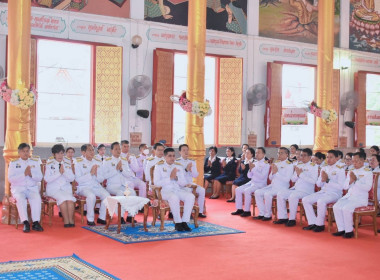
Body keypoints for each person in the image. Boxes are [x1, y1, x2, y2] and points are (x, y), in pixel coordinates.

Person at [302, 150, 346, 232]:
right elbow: (318, 184)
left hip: (335, 193)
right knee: (306, 200)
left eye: (331, 157)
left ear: (336, 158)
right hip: (323, 192)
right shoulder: (324, 168)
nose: (328, 159)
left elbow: (341, 187)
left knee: (321, 201)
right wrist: (322, 180)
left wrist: (328, 180)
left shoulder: (340, 169)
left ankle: (320, 224)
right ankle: (312, 222)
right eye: (327, 157)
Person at [332, 152, 373, 238]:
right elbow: (345, 186)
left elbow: (367, 188)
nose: (354, 163)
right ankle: (341, 229)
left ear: (362, 161)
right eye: (353, 161)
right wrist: (350, 181)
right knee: (336, 206)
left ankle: (349, 231)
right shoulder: (351, 170)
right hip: (349, 196)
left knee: (346, 209)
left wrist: (356, 181)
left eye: (356, 161)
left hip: (360, 199)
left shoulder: (368, 172)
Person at [154, 148, 195, 232]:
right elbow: (157, 183)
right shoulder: (159, 166)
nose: (172, 158)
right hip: (164, 191)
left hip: (177, 190)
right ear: (165, 157)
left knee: (190, 196)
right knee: (174, 197)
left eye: (173, 156)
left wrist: (177, 179)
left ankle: (184, 221)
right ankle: (178, 223)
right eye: (169, 156)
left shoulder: (178, 166)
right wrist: (170, 178)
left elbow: (182, 182)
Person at [275, 148, 318, 227]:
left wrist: (301, 174)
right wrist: (298, 175)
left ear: (310, 157)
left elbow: (313, 181)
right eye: (301, 155)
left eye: (305, 155)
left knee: (293, 196)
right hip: (296, 189)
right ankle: (283, 217)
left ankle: (292, 219)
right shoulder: (299, 165)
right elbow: (292, 179)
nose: (302, 157)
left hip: (306, 190)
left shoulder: (314, 166)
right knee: (280, 194)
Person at [8, 143, 44, 233]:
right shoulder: (13, 163)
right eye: (23, 151)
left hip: (32, 188)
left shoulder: (34, 162)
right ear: (19, 152)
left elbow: (40, 177)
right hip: (18, 189)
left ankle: (36, 222)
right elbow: (11, 179)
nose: (25, 153)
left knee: (36, 198)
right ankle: (25, 222)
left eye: (27, 151)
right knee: (20, 199)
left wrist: (31, 174)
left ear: (30, 152)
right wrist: (24, 174)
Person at [103, 142, 139, 224]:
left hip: (123, 185)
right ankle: (121, 217)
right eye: (116, 149)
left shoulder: (123, 160)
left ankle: (130, 216)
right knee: (120, 194)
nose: (118, 151)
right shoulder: (107, 161)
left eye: (119, 149)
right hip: (112, 186)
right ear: (111, 151)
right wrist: (116, 169)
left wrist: (121, 169)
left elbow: (128, 174)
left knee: (133, 193)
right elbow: (105, 176)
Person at [254, 147, 294, 221]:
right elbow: (270, 178)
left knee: (267, 194)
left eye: (281, 153)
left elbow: (287, 179)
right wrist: (273, 173)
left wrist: (276, 173)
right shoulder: (276, 163)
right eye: (278, 153)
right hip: (273, 186)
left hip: (282, 187)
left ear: (287, 154)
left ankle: (268, 215)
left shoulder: (289, 165)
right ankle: (262, 213)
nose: (279, 154)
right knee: (258, 192)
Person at [75, 144, 110, 226]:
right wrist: (91, 173)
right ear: (83, 152)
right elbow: (78, 180)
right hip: (83, 187)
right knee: (91, 196)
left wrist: (96, 174)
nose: (92, 152)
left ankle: (102, 217)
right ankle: (90, 219)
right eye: (89, 150)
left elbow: (101, 178)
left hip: (96, 186)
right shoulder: (78, 162)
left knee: (107, 196)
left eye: (93, 150)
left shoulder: (97, 161)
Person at [231, 147, 270, 217]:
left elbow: (262, 177)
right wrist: (250, 170)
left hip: (260, 184)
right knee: (238, 189)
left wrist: (253, 169)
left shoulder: (266, 164)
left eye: (259, 153)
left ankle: (247, 210)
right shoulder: (254, 162)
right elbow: (249, 176)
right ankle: (239, 209)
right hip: (252, 182)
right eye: (256, 153)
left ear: (263, 154)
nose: (257, 154)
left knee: (247, 191)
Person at [44, 144, 76, 227]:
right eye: (58, 153)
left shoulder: (67, 162)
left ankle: (71, 220)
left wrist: (64, 172)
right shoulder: (49, 163)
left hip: (65, 188)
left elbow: (72, 178)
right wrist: (59, 173)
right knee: (63, 198)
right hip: (53, 189)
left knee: (70, 199)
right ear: (53, 154)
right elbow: (47, 179)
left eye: (62, 153)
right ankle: (66, 221)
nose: (60, 155)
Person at [176, 144, 206, 218]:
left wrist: (192, 169)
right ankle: (188, 213)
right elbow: (179, 177)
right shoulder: (177, 162)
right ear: (180, 152)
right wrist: (186, 169)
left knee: (202, 190)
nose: (186, 152)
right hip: (180, 185)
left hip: (190, 183)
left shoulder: (192, 161)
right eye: (184, 150)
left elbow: (195, 175)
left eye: (187, 150)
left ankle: (199, 211)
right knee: (188, 191)